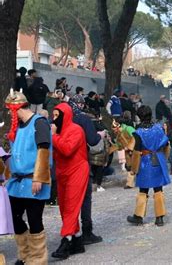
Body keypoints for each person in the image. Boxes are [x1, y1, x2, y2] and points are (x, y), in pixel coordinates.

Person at [4, 90, 52, 264]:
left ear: (15, 108)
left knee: (34, 219)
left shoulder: (39, 123)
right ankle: (25, 255)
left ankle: (38, 259)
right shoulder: (18, 127)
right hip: (17, 183)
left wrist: (38, 178)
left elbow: (43, 150)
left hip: (34, 180)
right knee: (15, 218)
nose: (9, 114)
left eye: (10, 110)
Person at [51, 103, 89, 259]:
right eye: (52, 116)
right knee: (65, 207)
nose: (53, 119)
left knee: (71, 207)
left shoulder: (76, 130)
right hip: (63, 173)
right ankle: (77, 239)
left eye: (56, 116)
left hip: (77, 171)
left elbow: (67, 149)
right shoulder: (59, 131)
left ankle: (66, 241)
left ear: (64, 115)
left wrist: (53, 136)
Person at [68, 95, 104, 245]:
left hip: (63, 164)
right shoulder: (82, 119)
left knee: (68, 201)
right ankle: (86, 231)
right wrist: (100, 135)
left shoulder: (59, 118)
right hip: (80, 162)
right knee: (85, 199)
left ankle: (70, 234)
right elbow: (93, 140)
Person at [127, 106, 171, 226]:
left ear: (139, 117)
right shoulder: (158, 128)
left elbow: (136, 152)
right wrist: (164, 158)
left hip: (145, 162)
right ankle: (159, 217)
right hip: (158, 159)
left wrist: (133, 168)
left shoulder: (138, 132)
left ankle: (138, 216)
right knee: (158, 189)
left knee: (143, 189)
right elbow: (166, 143)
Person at [111, 119, 136, 189]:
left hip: (135, 150)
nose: (114, 131)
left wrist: (130, 147)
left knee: (139, 166)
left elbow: (136, 138)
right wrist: (109, 150)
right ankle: (130, 183)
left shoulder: (129, 129)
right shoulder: (118, 135)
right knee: (129, 167)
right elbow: (118, 145)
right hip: (128, 153)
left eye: (114, 129)